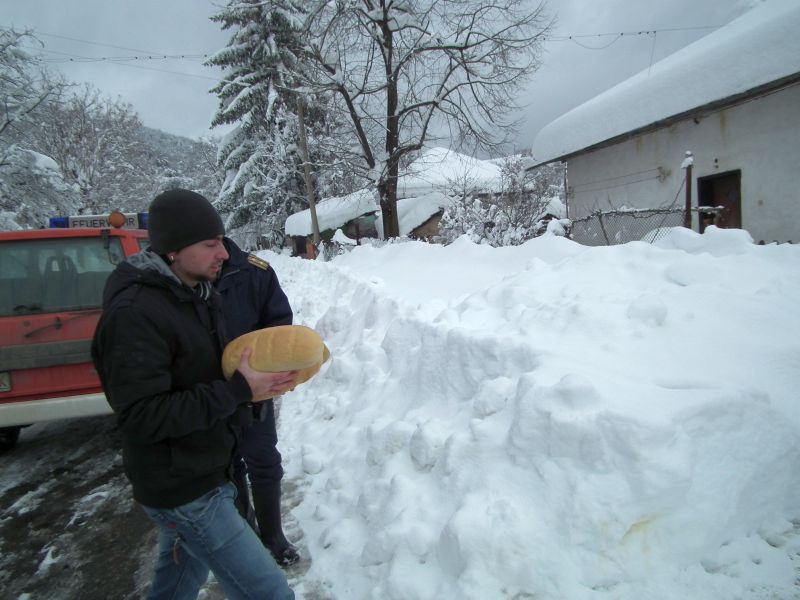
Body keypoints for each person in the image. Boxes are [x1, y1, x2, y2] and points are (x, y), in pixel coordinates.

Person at [91, 188, 295, 600]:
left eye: (220, 240)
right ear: (172, 250)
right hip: (185, 487)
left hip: (206, 468)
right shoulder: (135, 313)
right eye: (210, 244)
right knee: (270, 593)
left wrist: (254, 383)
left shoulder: (195, 294)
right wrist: (239, 389)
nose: (224, 252)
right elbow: (142, 417)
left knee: (179, 580)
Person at [215, 236, 300, 566]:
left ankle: (273, 536)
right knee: (228, 463)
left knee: (263, 459)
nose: (215, 253)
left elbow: (280, 325)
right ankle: (246, 531)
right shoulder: (184, 277)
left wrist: (263, 371)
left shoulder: (254, 273)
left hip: (255, 391)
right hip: (210, 392)